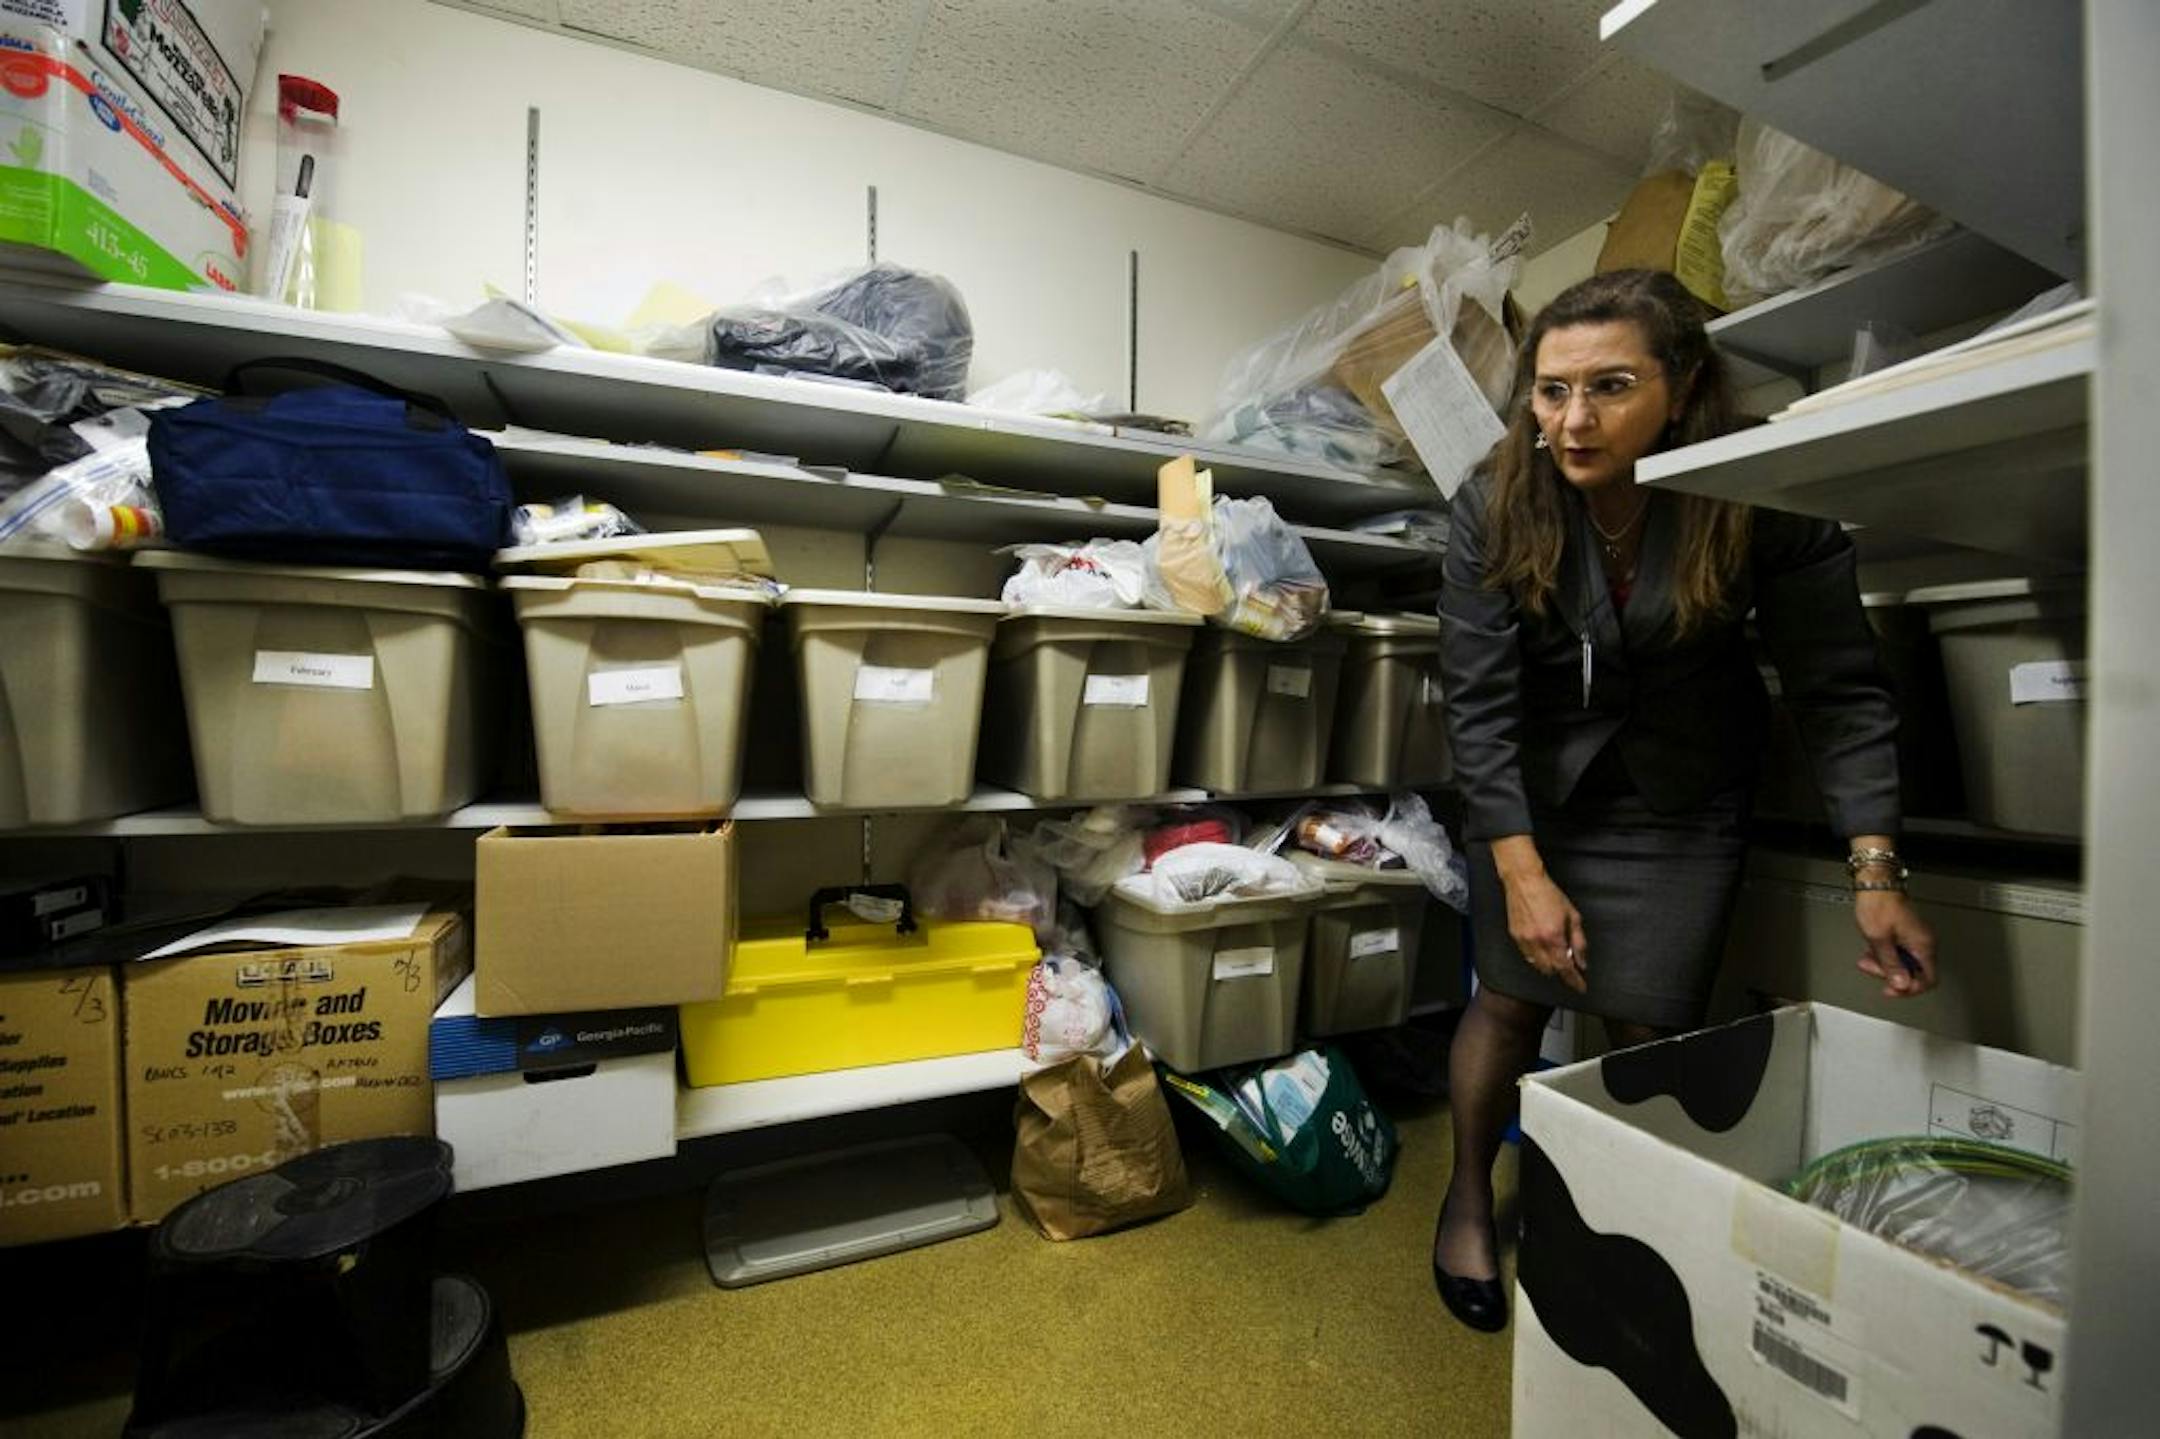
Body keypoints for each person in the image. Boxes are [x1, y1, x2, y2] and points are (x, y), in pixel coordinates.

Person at [1429, 268, 1938, 1334]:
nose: (1573, 419)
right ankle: (1472, 1191)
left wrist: (1876, 871)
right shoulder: (1493, 500)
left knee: (1649, 1028)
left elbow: (1838, 685)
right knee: (1512, 999)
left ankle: (1612, 1223)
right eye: (1551, 389)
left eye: (1609, 385)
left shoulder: (1759, 492)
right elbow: (1477, 707)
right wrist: (1522, 872)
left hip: (1682, 790)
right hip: (1533, 795)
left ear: (1684, 382)